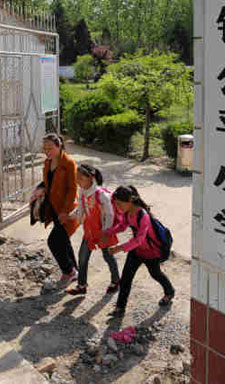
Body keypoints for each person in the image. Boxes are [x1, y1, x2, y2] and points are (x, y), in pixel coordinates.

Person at [102, 185, 175, 317]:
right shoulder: (127, 213)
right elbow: (122, 226)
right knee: (125, 279)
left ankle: (169, 292)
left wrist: (119, 248)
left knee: (156, 274)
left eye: (119, 204)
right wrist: (108, 232)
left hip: (151, 253)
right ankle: (120, 308)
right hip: (136, 251)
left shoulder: (143, 216)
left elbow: (139, 240)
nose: (118, 207)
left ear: (130, 200)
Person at [30, 133, 79, 288]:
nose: (47, 151)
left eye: (50, 148)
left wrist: (65, 212)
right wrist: (40, 189)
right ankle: (76, 271)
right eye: (44, 148)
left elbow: (72, 190)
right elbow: (47, 181)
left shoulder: (69, 164)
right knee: (63, 241)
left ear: (59, 146)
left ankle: (68, 272)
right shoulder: (47, 162)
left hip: (67, 211)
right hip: (54, 209)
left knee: (54, 241)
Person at [65, 163, 121, 296]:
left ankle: (116, 281)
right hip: (89, 232)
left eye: (81, 179)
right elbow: (80, 209)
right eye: (76, 178)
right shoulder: (83, 192)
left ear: (91, 178)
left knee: (108, 256)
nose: (78, 182)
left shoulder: (101, 195)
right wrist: (70, 216)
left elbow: (110, 214)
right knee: (82, 258)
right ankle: (81, 285)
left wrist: (106, 233)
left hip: (102, 232)